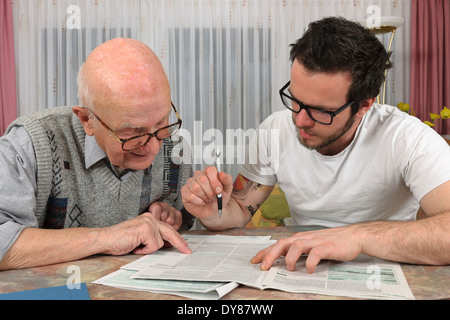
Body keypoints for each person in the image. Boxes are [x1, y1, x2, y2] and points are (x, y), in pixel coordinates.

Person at [181, 17, 450, 273]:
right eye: (296, 100)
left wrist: (356, 237)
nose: (300, 120)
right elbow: (239, 209)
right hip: (301, 270)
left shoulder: (407, 138)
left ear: (365, 104)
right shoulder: (275, 130)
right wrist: (211, 212)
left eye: (321, 111)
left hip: (382, 275)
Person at [0, 38, 193, 270]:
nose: (153, 147)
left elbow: (189, 226)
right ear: (86, 120)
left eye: (162, 122)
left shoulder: (173, 147)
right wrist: (107, 237)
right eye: (132, 133)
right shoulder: (29, 143)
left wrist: (177, 218)